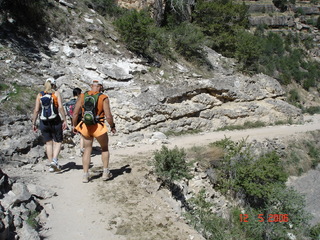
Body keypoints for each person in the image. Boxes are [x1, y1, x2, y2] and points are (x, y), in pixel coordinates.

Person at [72, 79, 116, 183]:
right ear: (100, 87)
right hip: (99, 126)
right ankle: (105, 173)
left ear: (91, 86)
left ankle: (85, 175)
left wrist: (75, 126)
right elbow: (108, 116)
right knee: (104, 148)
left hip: (86, 127)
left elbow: (75, 114)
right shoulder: (103, 97)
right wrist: (112, 126)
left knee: (87, 149)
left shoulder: (82, 96)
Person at [32, 78, 67, 172]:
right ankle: (55, 160)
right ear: (54, 85)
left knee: (48, 143)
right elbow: (60, 107)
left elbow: (36, 110)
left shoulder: (40, 95)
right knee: (58, 141)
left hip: (43, 121)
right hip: (55, 120)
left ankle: (52, 164)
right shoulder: (56, 94)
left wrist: (34, 123)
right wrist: (64, 119)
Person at [65, 87, 84, 154]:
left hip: (72, 119)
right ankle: (81, 148)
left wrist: (73, 124)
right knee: (82, 134)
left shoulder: (69, 103)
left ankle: (72, 146)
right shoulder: (79, 101)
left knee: (73, 132)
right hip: (79, 118)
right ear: (79, 93)